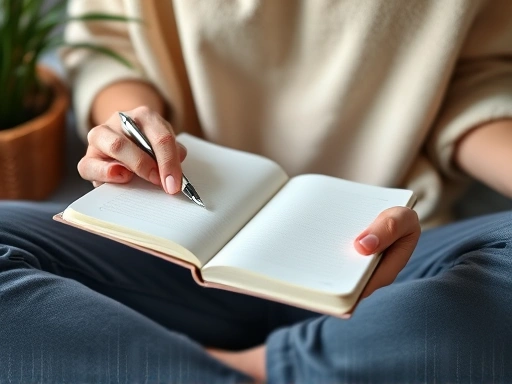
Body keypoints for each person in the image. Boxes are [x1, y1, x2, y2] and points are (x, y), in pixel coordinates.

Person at [1, 0, 512, 382]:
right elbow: (113, 48)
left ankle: (191, 366)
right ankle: (315, 367)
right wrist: (130, 128)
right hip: (172, 249)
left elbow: (471, 82)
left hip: (390, 265)